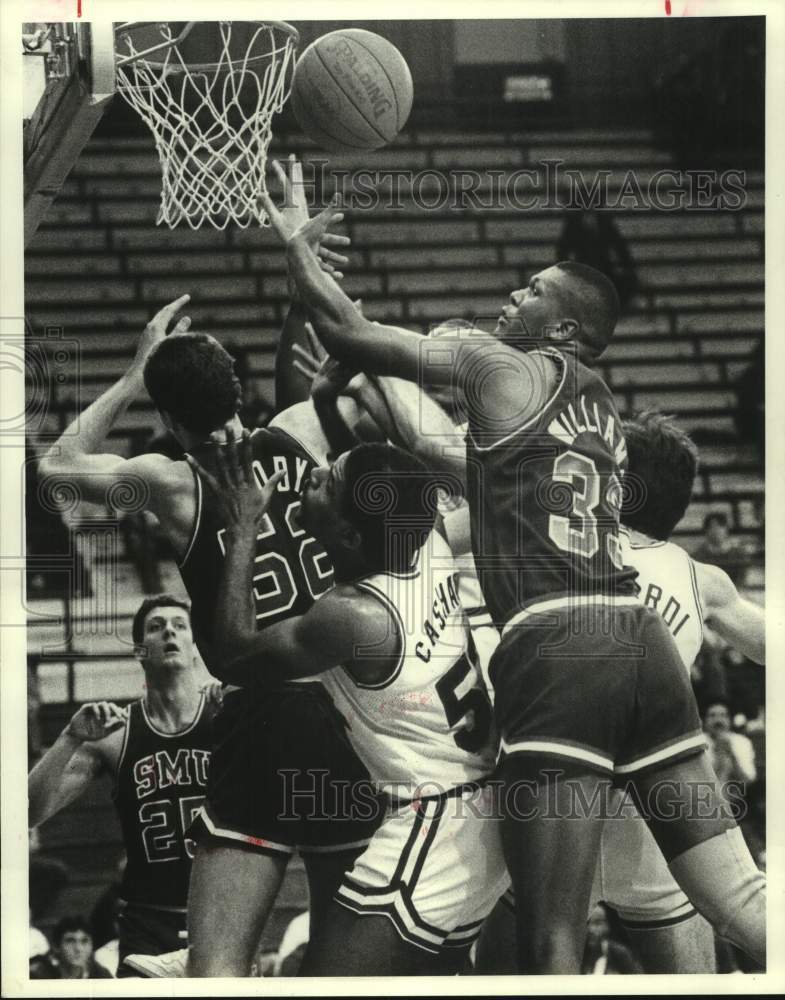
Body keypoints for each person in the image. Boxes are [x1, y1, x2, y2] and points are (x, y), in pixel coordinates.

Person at [260, 159, 765, 972]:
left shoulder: (500, 366)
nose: (511, 296)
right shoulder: (600, 410)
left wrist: (293, 244)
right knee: (741, 900)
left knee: (549, 932)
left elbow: (347, 332)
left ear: (562, 330)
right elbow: (458, 468)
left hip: (558, 652)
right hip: (641, 646)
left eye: (531, 291)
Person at [37, 184, 382, 976]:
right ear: (236, 389)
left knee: (215, 971)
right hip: (347, 714)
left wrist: (134, 372)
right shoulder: (300, 433)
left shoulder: (173, 482)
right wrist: (298, 259)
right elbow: (339, 349)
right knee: (344, 968)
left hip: (259, 714)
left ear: (170, 421)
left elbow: (56, 466)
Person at [187, 430, 509, 975]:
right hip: (481, 809)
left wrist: (242, 529)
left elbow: (234, 655)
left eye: (328, 482)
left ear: (349, 535)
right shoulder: (427, 542)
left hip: (439, 821)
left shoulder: (356, 616)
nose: (314, 473)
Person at [28, 596, 215, 976]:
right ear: (140, 651)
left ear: (195, 647)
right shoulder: (114, 733)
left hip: (223, 915)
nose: (169, 631)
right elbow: (27, 813)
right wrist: (69, 737)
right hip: (148, 923)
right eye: (156, 626)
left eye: (180, 625)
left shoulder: (225, 715)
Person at [29, 917, 114, 979]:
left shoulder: (101, 975)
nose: (78, 949)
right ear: (56, 947)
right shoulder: (38, 974)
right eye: (70, 941)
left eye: (84, 941)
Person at [703, 699, 758, 787]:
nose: (718, 720)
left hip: (736, 793)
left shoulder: (742, 742)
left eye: (723, 715)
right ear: (704, 720)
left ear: (730, 720)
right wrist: (718, 754)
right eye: (712, 715)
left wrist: (731, 754)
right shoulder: (697, 743)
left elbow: (748, 780)